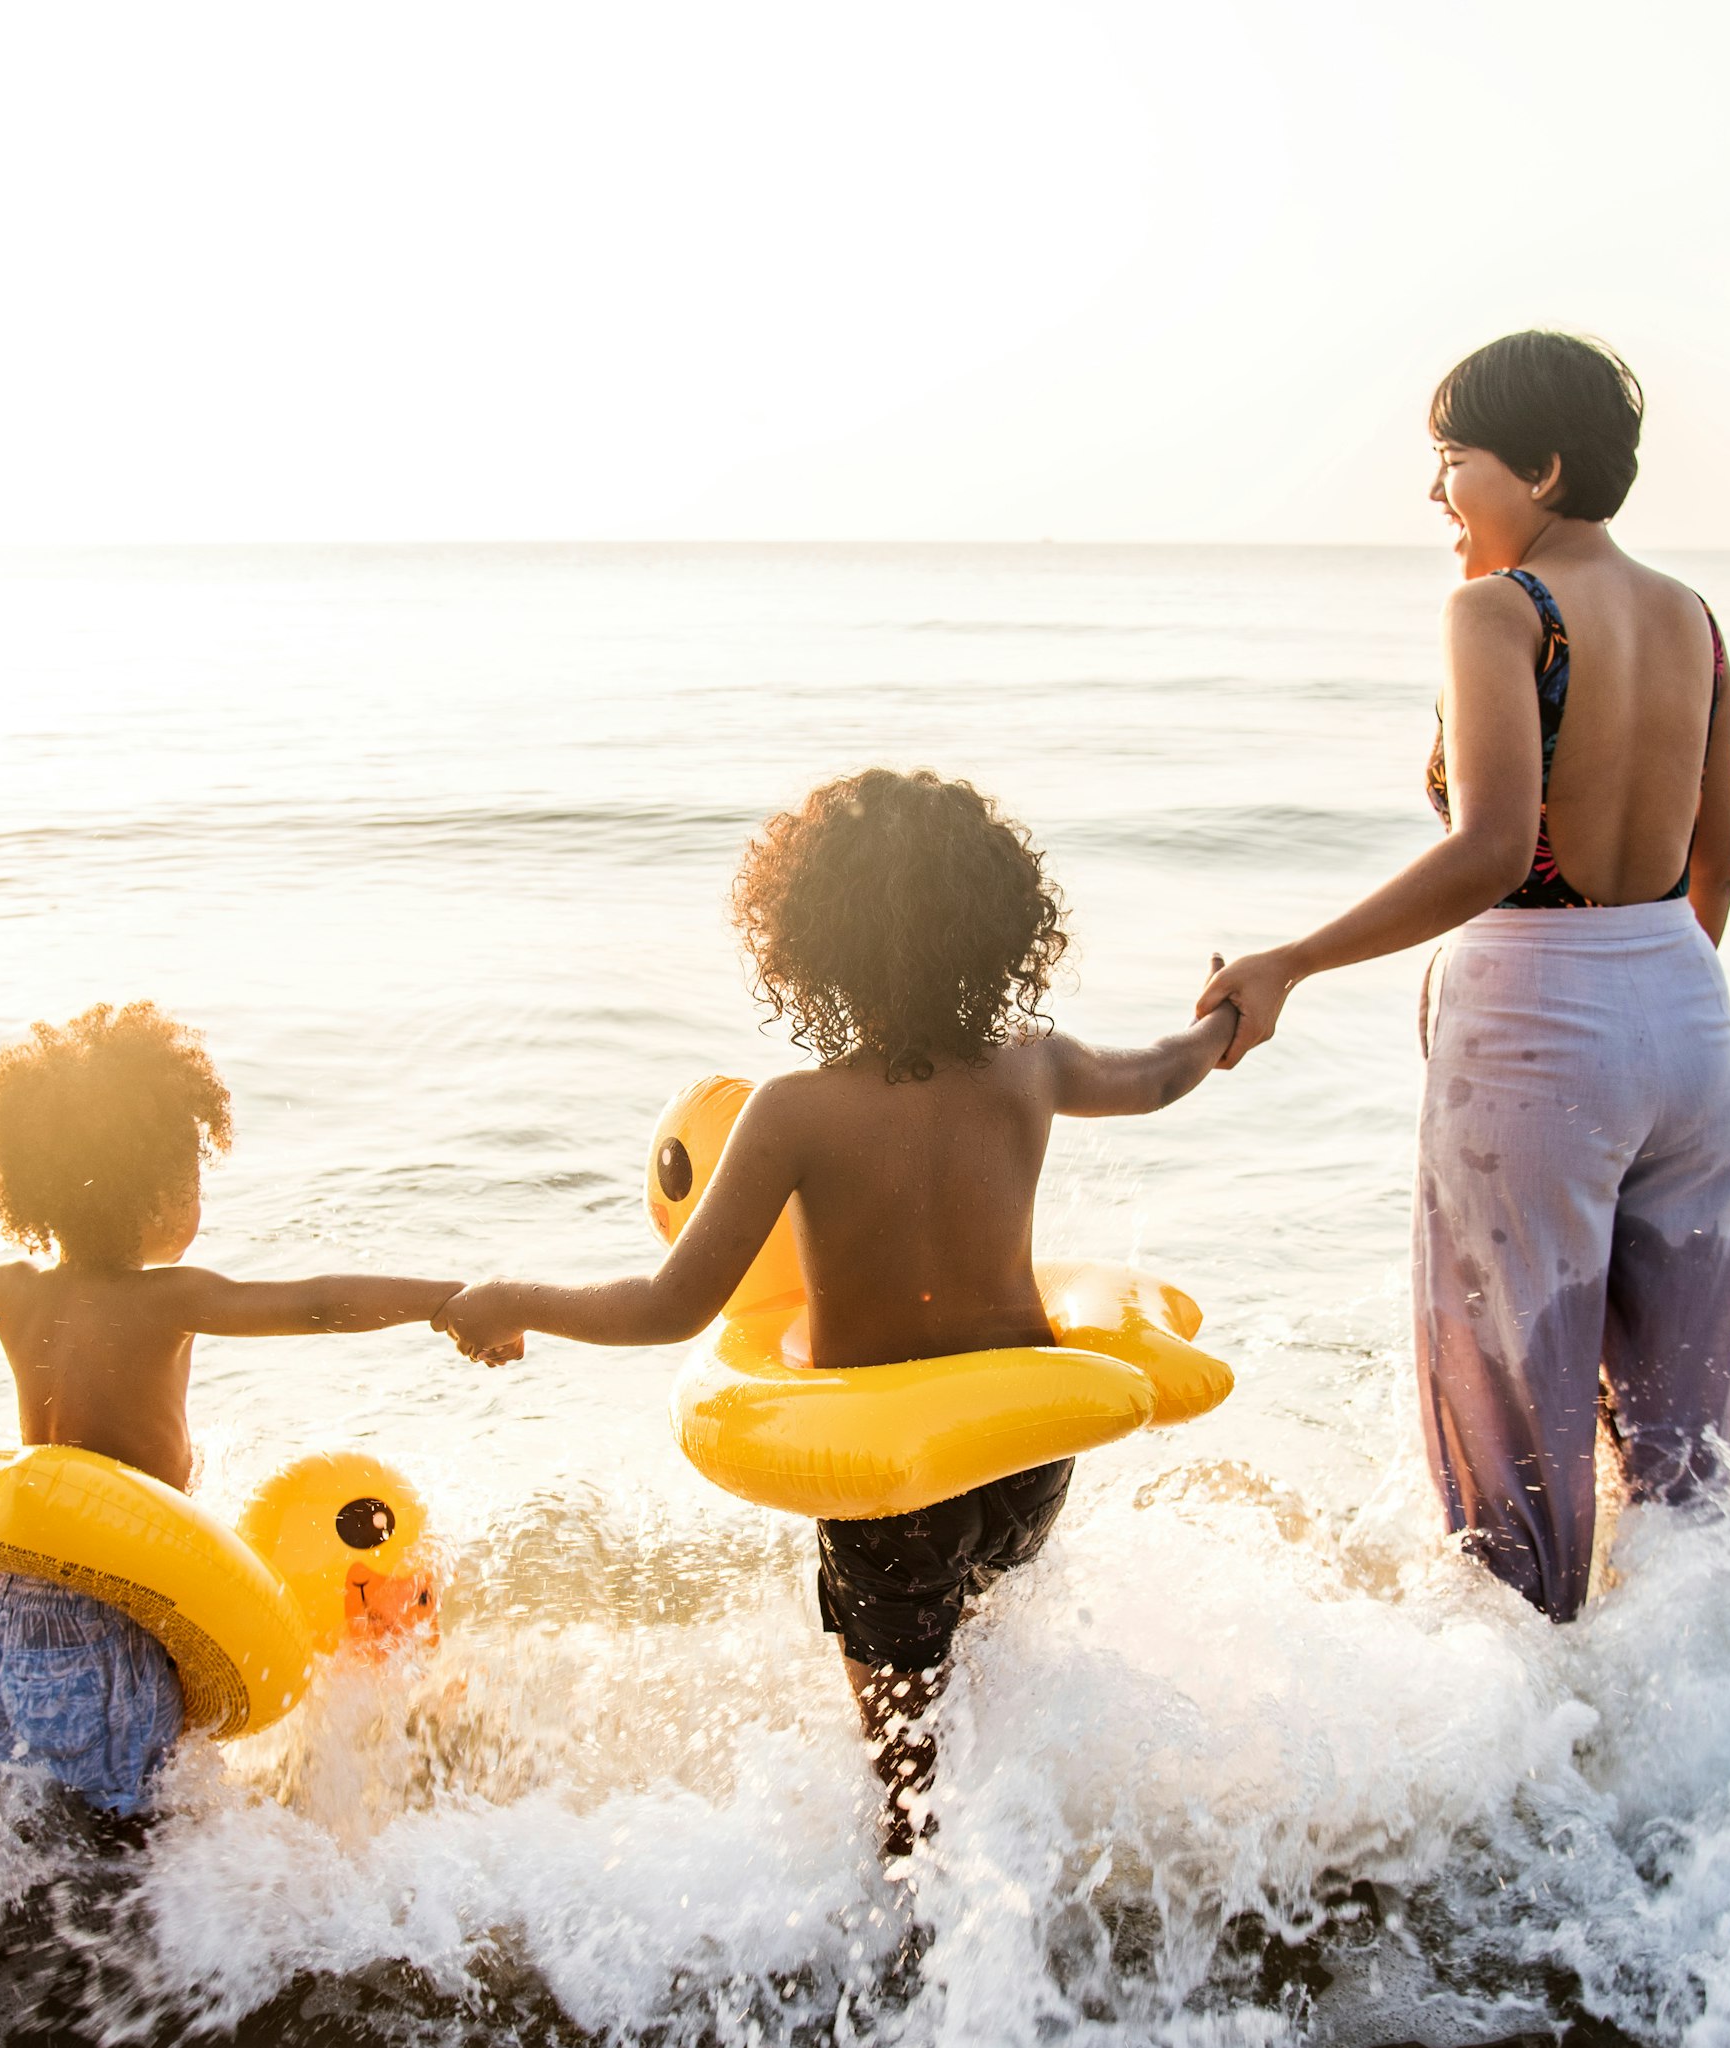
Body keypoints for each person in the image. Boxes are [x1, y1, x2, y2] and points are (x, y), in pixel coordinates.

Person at [439, 770, 1237, 1850]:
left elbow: (669, 1305)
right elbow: (1157, 1077)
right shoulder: (1034, 1066)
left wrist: (510, 1297)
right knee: (987, 1653)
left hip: (889, 1485)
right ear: (999, 925)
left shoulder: (794, 1112)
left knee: (907, 1774)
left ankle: (920, 1943)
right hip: (1024, 1452)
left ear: (808, 944)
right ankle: (1016, 1877)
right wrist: (1227, 1017)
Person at [1196, 329, 1730, 1625]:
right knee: (1684, 1452)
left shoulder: (1499, 612)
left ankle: (1522, 1785)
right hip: (1688, 1016)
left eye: (1452, 462)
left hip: (1538, 1029)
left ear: (1541, 467)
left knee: (1510, 1443)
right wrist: (1644, 998)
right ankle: (1709, 1736)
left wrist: (1293, 962)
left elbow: (1493, 845)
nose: (1437, 495)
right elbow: (1715, 861)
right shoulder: (1692, 617)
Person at [0, 1000, 461, 1821]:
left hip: (6, 1619)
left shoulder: (12, 1292)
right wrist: (445, 1300)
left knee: (25, 1834)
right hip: (111, 1626)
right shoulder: (172, 1299)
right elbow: (316, 1303)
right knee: (130, 1845)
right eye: (189, 1178)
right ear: (157, 1192)